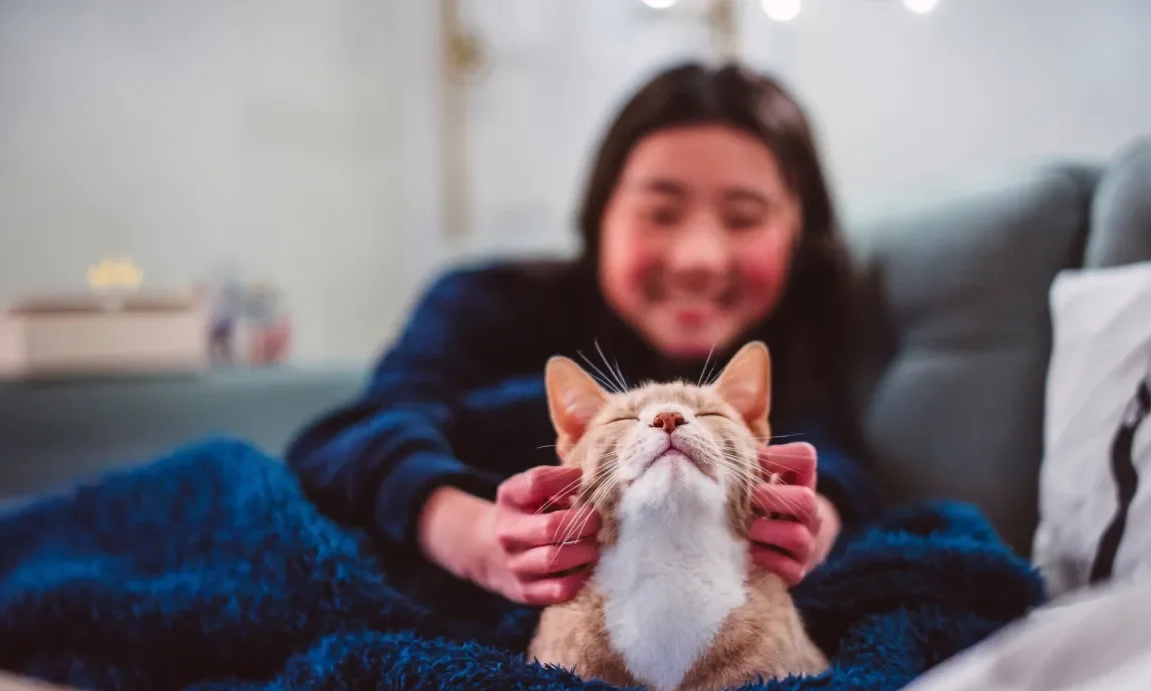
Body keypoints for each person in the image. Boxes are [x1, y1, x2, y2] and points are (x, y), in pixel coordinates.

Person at [286, 60, 879, 608]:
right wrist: (475, 536)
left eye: (744, 218)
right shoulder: (482, 302)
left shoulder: (805, 331)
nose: (700, 256)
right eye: (661, 213)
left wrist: (814, 521)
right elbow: (358, 432)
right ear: (601, 215)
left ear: (799, 235)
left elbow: (836, 461)